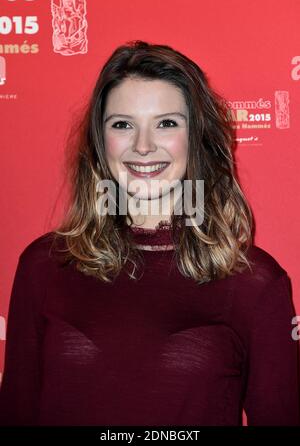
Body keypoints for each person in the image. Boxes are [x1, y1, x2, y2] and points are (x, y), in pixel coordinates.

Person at [0, 40, 299, 426]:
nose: (143, 146)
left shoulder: (254, 282)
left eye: (167, 123)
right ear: (98, 141)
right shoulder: (44, 266)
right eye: (123, 125)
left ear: (198, 140)